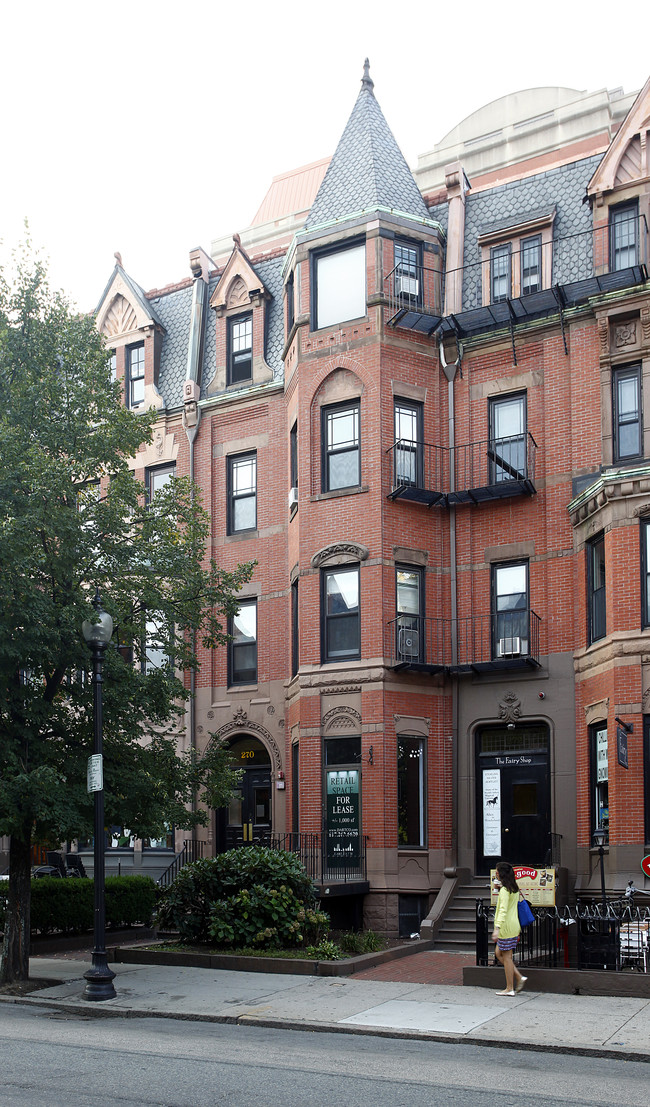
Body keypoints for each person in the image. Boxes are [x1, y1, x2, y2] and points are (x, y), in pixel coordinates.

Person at [491, 861, 527, 996]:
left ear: (502, 874)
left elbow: (503, 910)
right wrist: (497, 888)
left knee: (506, 957)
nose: (496, 874)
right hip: (513, 925)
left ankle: (509, 988)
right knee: (499, 953)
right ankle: (518, 976)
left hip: (506, 926)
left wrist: (497, 928)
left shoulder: (505, 891)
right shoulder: (513, 888)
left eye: (497, 872)